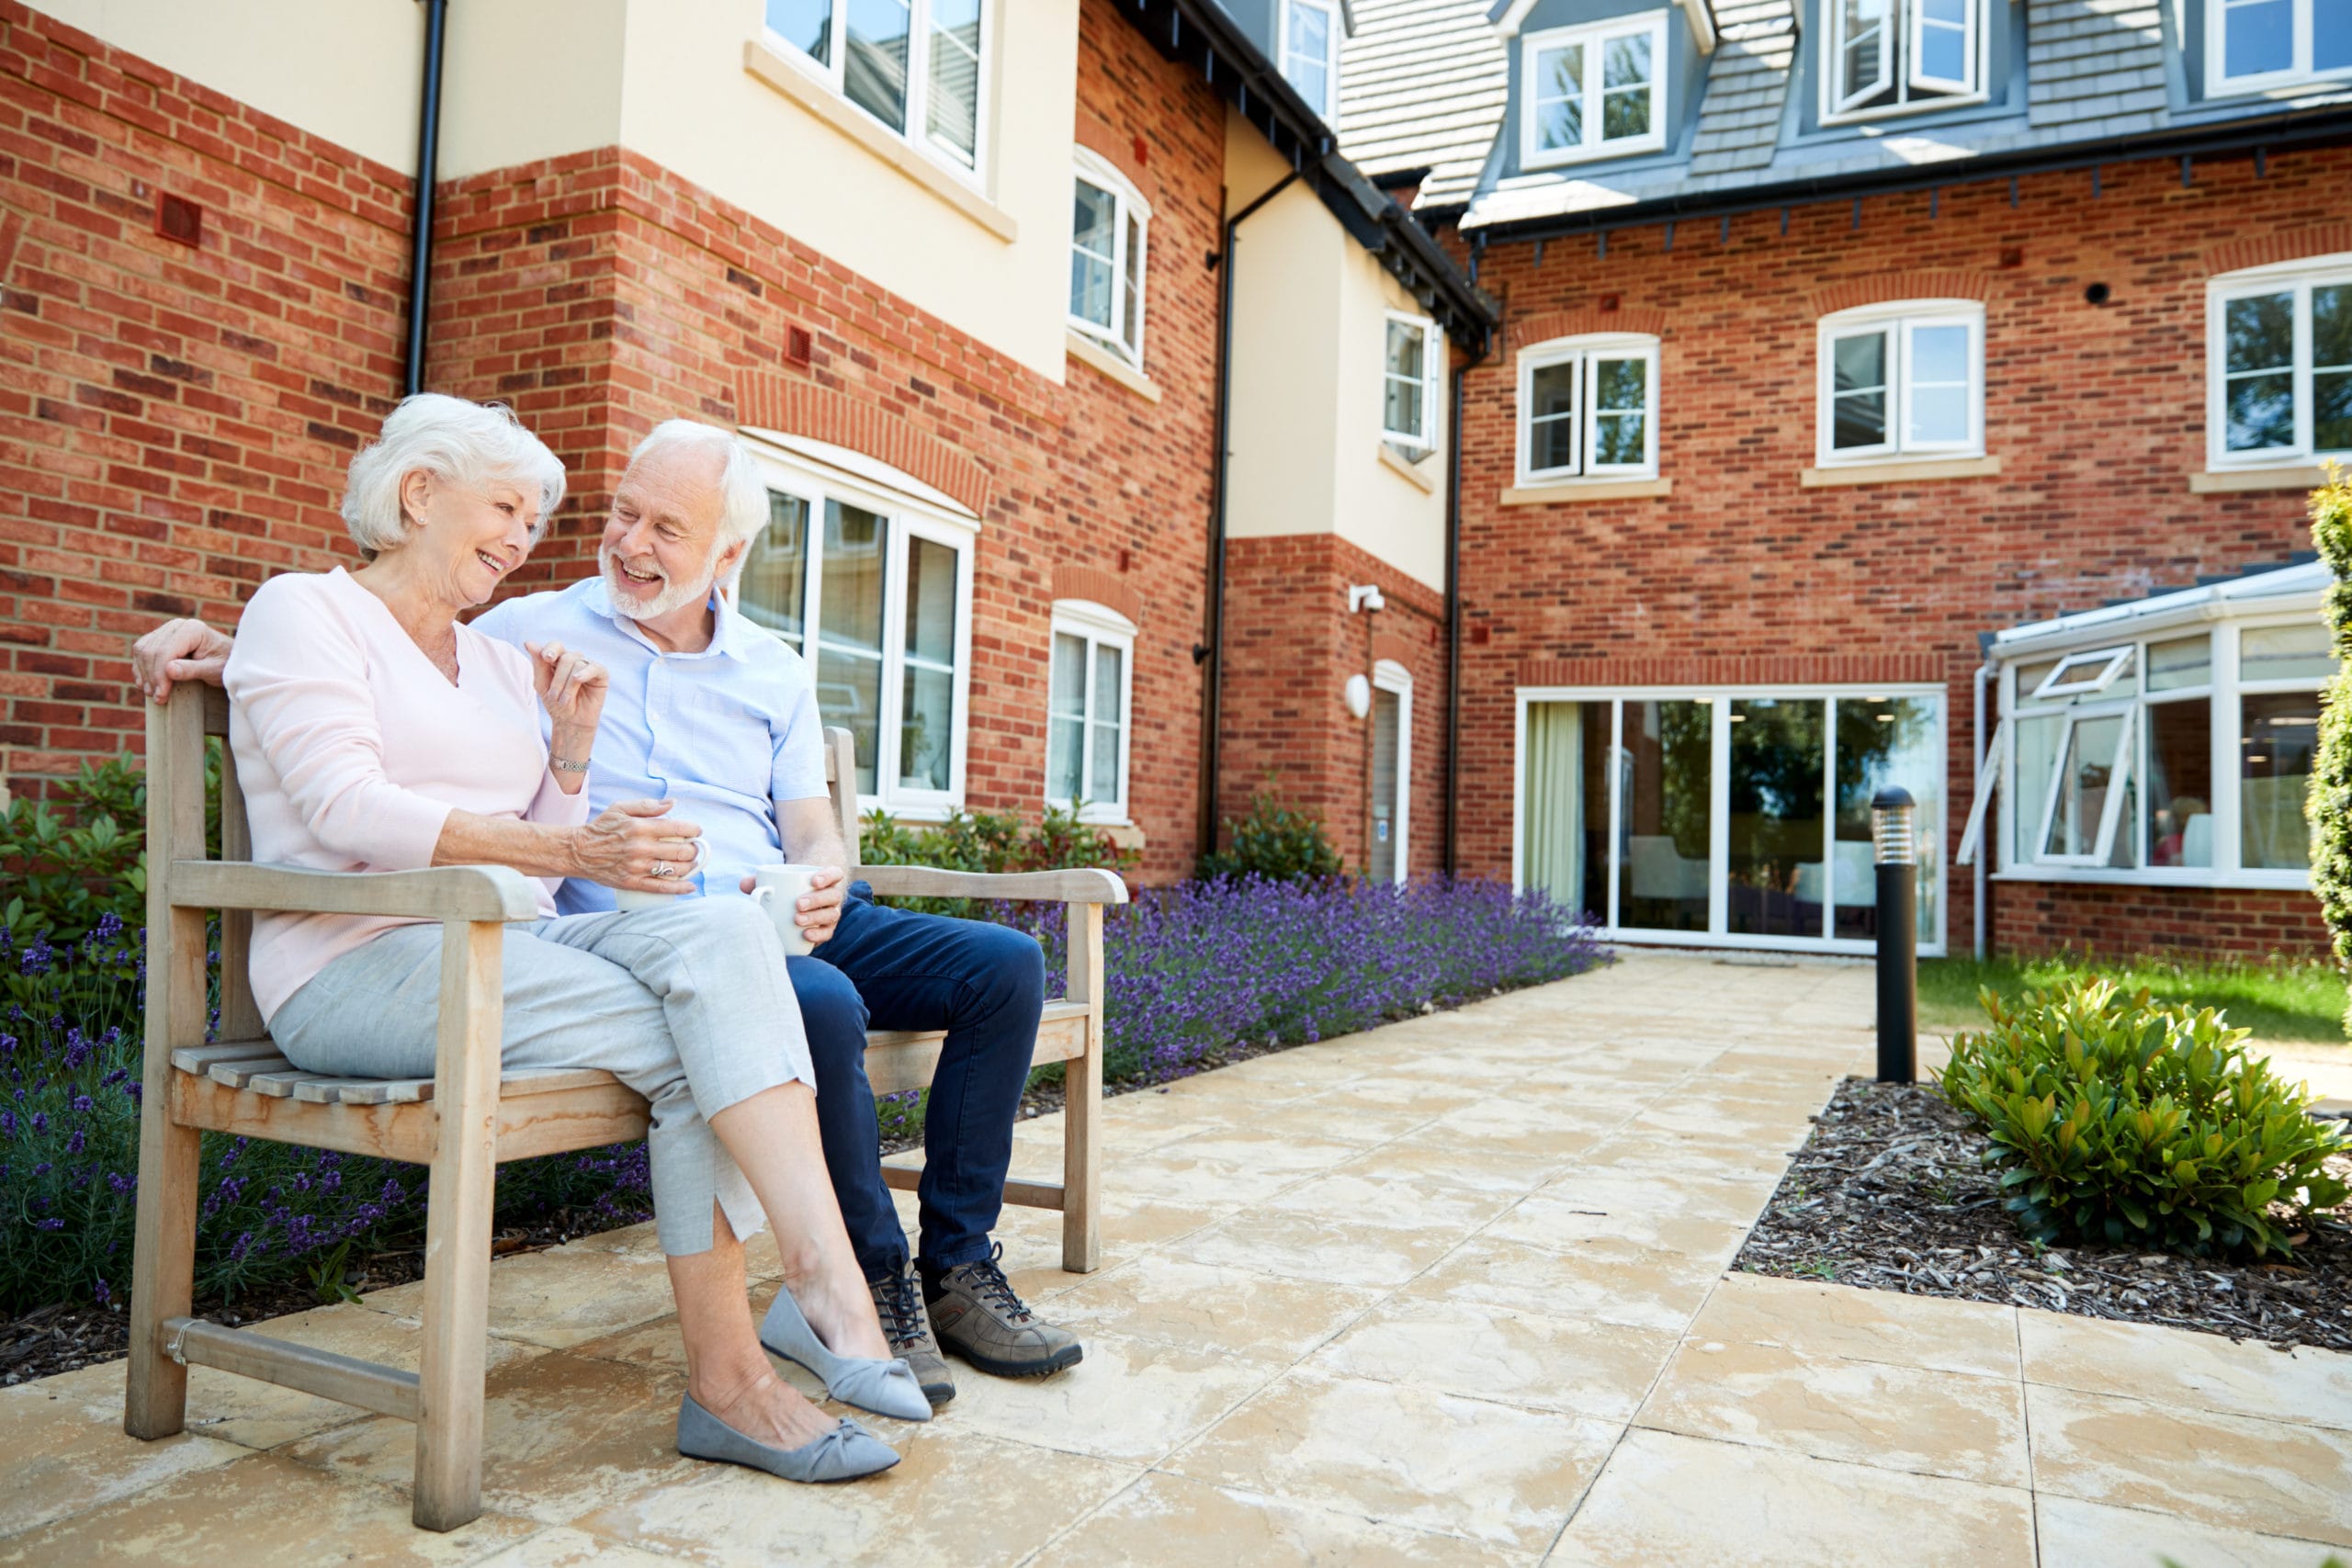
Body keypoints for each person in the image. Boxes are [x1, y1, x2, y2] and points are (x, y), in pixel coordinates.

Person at [135, 419, 1083, 1406]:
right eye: (621, 515)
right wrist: (236, 648)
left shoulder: (741, 664)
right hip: (569, 934)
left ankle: (950, 1270)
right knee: (805, 1004)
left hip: (749, 913)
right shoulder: (525, 625)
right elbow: (370, 660)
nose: (629, 544)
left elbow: (802, 824)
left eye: (665, 529)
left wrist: (819, 873)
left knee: (1002, 966)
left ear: (727, 554)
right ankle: (858, 1284)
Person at [215, 392, 922, 1485]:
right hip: (355, 964)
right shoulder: (305, 611)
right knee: (708, 1033)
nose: (522, 541)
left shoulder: (501, 662)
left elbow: (547, 844)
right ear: (418, 495)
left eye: (537, 523)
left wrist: (573, 758)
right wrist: (572, 853)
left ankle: (801, 1308)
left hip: (508, 954)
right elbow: (343, 807)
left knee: (725, 941)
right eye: (505, 508)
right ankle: (786, 1335)